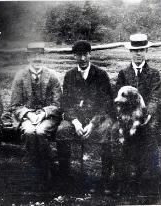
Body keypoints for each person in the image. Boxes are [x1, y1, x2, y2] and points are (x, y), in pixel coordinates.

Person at [56, 40, 114, 193]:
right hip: (76, 120)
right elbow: (66, 103)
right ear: (74, 56)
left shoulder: (101, 74)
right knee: (62, 130)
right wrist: (75, 122)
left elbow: (106, 103)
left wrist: (93, 123)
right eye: (78, 55)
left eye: (85, 55)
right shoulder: (69, 76)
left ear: (90, 54)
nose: (82, 59)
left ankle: (106, 179)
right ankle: (64, 178)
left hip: (97, 118)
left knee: (107, 131)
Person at [114, 33, 161, 195]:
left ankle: (150, 184)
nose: (138, 54)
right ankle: (125, 182)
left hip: (149, 118)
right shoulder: (123, 73)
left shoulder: (154, 73)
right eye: (135, 51)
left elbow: (157, 97)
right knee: (122, 140)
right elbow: (118, 98)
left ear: (146, 51)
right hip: (128, 118)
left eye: (141, 50)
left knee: (149, 138)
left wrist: (147, 114)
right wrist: (127, 117)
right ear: (130, 52)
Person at [10, 42, 62, 180]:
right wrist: (28, 114)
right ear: (28, 58)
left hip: (48, 117)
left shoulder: (52, 76)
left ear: (43, 58)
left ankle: (46, 168)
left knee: (40, 131)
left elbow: (58, 104)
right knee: (28, 131)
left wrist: (44, 113)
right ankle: (31, 168)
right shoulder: (20, 77)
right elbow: (15, 105)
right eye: (34, 56)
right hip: (27, 117)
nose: (37, 59)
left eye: (40, 55)